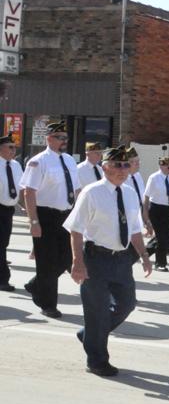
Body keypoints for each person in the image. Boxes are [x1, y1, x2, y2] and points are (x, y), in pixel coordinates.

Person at [64, 145, 153, 377]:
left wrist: (144, 256)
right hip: (95, 259)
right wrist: (77, 262)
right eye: (117, 165)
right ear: (104, 167)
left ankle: (90, 334)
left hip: (122, 260)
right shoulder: (91, 192)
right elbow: (75, 229)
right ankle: (97, 360)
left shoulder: (130, 193)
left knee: (127, 304)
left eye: (126, 165)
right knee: (97, 312)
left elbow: (134, 230)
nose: (123, 170)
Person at [21, 120, 82, 318]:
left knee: (66, 259)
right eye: (59, 137)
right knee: (46, 262)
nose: (63, 140)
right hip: (46, 215)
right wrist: (34, 221)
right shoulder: (38, 161)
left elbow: (77, 189)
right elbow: (29, 192)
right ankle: (48, 304)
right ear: (48, 138)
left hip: (66, 216)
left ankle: (37, 284)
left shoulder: (70, 160)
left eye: (65, 137)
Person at [1, 133, 23, 292]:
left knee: (4, 242)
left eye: (14, 147)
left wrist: (27, 208)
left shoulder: (16, 165)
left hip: (9, 210)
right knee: (1, 245)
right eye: (10, 147)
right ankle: (3, 279)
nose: (13, 150)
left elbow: (21, 188)